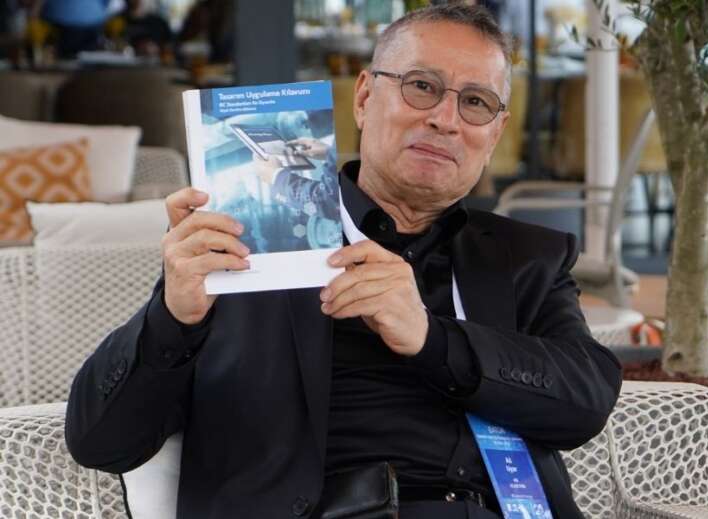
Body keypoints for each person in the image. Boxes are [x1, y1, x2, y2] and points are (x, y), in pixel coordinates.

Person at [65, 5, 622, 519]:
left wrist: (433, 340)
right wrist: (172, 317)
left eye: (475, 102)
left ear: (495, 132)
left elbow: (585, 401)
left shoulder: (526, 257)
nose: (446, 119)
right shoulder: (241, 242)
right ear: (364, 97)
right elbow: (101, 443)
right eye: (422, 87)